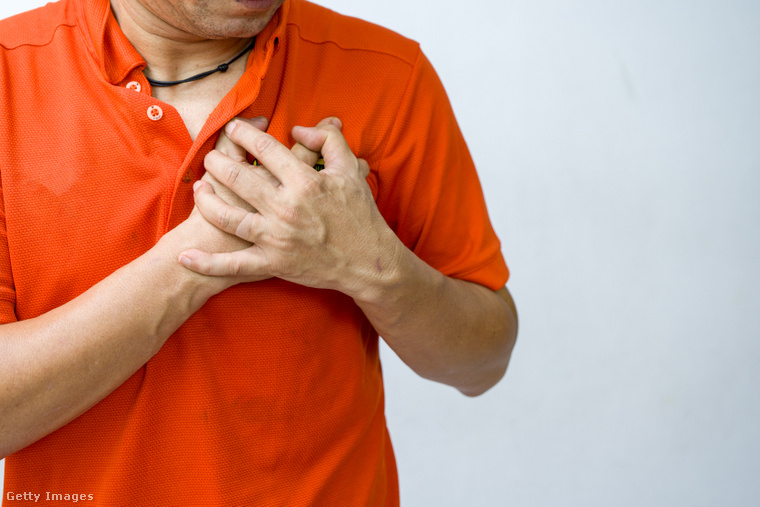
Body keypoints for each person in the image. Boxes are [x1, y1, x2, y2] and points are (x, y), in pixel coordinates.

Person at [0, 0, 518, 504]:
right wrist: (201, 252)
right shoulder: (10, 71)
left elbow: (481, 363)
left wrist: (370, 263)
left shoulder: (389, 74)